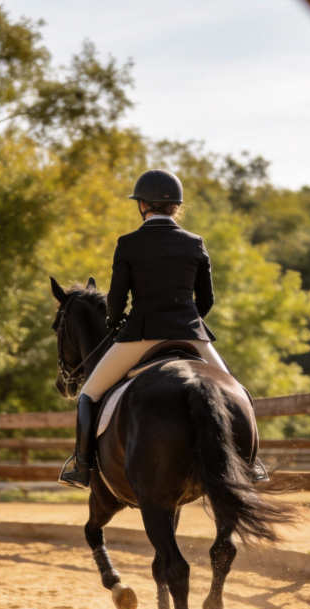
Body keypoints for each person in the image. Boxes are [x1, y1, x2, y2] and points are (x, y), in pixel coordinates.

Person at [59, 169, 267, 489]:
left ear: (142, 205)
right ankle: (252, 464)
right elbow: (207, 298)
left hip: (141, 335)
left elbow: (116, 298)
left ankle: (83, 466)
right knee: (238, 393)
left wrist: (115, 322)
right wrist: (187, 321)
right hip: (191, 334)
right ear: (177, 207)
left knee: (88, 394)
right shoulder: (194, 243)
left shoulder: (128, 243)